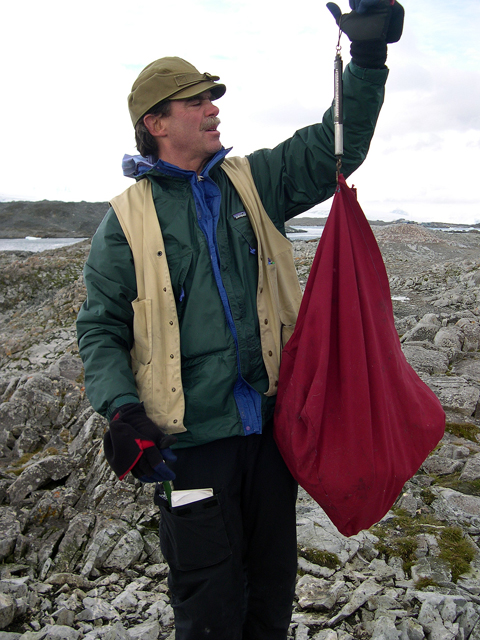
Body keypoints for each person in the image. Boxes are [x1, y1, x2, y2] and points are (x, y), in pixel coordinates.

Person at [76, 2, 404, 638]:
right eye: (197, 101)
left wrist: (366, 62)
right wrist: (121, 409)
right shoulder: (125, 223)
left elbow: (339, 145)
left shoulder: (256, 182)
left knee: (271, 592)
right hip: (190, 449)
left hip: (269, 436)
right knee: (208, 604)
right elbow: (101, 326)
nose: (213, 109)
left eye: (212, 98)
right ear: (156, 123)